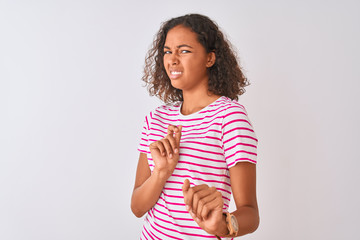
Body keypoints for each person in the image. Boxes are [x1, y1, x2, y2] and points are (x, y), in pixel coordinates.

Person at [131, 13, 259, 240]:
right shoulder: (156, 119)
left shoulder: (229, 117)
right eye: (167, 51)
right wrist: (161, 173)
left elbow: (250, 213)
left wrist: (222, 225)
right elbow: (137, 208)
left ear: (210, 59)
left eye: (184, 51)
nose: (172, 60)